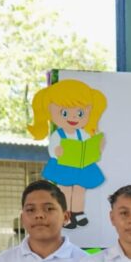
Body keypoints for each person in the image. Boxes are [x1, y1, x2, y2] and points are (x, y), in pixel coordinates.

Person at [27, 79, 108, 228]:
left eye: (80, 113)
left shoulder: (83, 133)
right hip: (64, 165)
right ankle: (66, 214)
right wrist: (57, 151)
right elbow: (53, 150)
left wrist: (97, 147)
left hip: (81, 166)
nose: (73, 117)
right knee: (65, 191)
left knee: (79, 189)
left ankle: (78, 212)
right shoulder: (57, 135)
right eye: (64, 113)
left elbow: (90, 147)